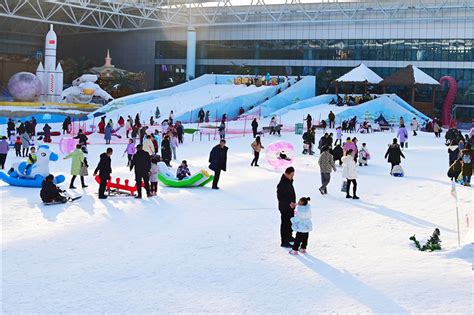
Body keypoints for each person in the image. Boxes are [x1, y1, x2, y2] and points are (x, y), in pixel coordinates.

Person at [277, 167, 296, 248]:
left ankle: (289, 236)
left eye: (293, 175)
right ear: (286, 174)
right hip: (285, 208)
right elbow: (280, 198)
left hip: (290, 207)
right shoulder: (281, 184)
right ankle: (284, 241)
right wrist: (289, 203)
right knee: (285, 224)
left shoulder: (288, 181)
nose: (292, 177)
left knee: (290, 223)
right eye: (291, 175)